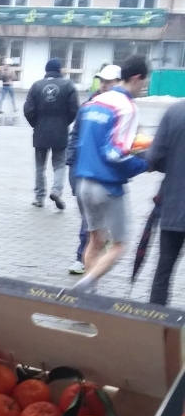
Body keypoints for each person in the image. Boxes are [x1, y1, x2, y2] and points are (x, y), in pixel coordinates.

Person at [71, 56, 149, 293]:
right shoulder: (128, 108)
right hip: (108, 186)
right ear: (135, 78)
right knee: (119, 245)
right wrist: (147, 163)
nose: (144, 87)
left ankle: (89, 300)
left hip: (83, 182)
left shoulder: (93, 103)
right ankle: (85, 284)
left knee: (95, 242)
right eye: (144, 82)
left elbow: (79, 142)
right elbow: (116, 154)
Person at [66, 64, 121, 273]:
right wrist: (72, 165)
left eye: (110, 81)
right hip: (84, 172)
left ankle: (88, 253)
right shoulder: (89, 105)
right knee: (89, 219)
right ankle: (85, 255)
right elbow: (75, 136)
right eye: (103, 81)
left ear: (119, 82)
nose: (105, 85)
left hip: (108, 175)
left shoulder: (122, 108)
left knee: (94, 220)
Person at [23, 58, 79, 209]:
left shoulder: (36, 85)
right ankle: (57, 191)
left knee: (40, 166)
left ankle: (39, 198)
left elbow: (28, 109)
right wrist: (64, 122)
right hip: (60, 131)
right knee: (60, 164)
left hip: (40, 130)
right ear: (60, 69)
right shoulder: (68, 85)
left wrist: (36, 123)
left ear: (46, 70)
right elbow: (74, 109)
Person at [148, 99, 185, 305]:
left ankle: (156, 324)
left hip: (176, 203)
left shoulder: (175, 112)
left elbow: (155, 156)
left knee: (164, 269)